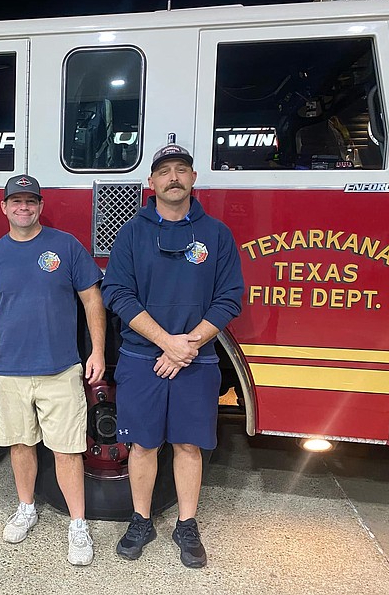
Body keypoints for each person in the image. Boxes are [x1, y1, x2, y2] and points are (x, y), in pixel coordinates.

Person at [101, 143, 244, 567]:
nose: (174, 177)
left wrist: (188, 345)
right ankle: (141, 520)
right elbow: (117, 293)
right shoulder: (130, 233)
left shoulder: (217, 235)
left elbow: (230, 297)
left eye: (182, 170)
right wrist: (168, 342)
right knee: (143, 445)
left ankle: (186, 524)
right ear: (151, 183)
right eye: (165, 171)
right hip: (142, 358)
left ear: (194, 179)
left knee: (188, 445)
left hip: (195, 361)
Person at [0, 174, 106, 566]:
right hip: (8, 371)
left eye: (30, 201)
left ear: (40, 206)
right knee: (20, 444)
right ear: (4, 207)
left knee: (67, 450)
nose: (23, 207)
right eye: (16, 201)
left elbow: (92, 300)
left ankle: (77, 524)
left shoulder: (66, 246)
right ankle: (26, 506)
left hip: (60, 369)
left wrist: (97, 351)